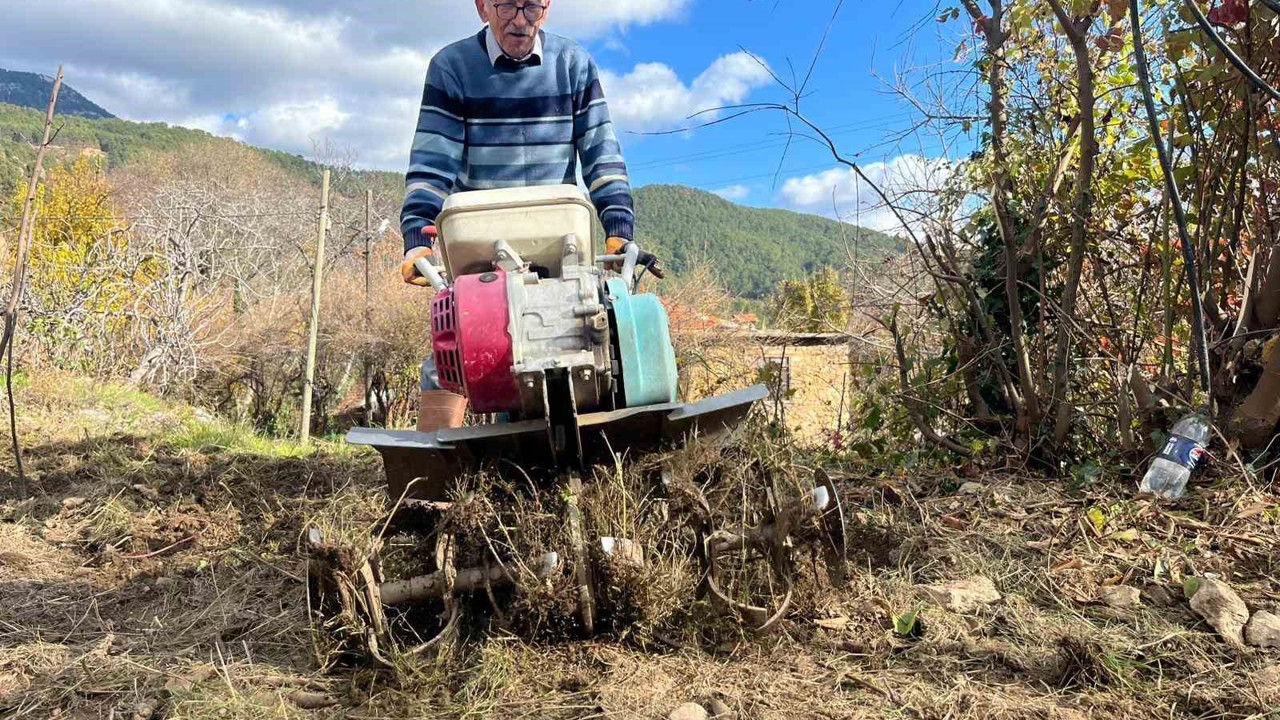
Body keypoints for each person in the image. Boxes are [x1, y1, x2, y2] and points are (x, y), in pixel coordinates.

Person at [399, 0, 638, 432]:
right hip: (481, 245)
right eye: (508, 5)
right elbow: (434, 161)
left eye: (533, 5)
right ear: (482, 7)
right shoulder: (454, 67)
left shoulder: (573, 65)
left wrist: (618, 226)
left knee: (600, 339)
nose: (521, 19)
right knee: (452, 354)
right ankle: (435, 486)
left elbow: (602, 154)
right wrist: (418, 232)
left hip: (558, 241)